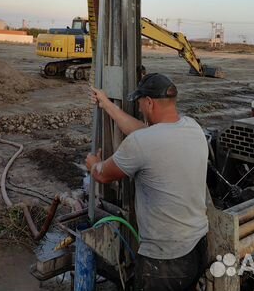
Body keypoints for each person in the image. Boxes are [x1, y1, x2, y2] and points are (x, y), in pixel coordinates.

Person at [86, 73, 208, 291]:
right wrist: (106, 104)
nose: (140, 109)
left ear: (149, 102)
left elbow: (102, 175)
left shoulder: (142, 143)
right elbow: (144, 133)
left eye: (141, 104)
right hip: (198, 248)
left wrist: (93, 163)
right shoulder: (192, 127)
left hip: (164, 261)